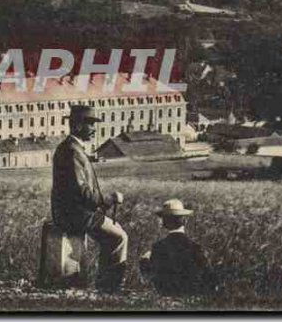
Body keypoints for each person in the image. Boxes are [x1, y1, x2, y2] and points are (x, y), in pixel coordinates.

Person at [51, 104, 128, 293]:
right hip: (77, 215)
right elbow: (81, 192)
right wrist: (108, 199)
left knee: (114, 235)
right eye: (90, 124)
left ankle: (106, 285)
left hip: (73, 212)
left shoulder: (70, 148)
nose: (94, 129)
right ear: (77, 126)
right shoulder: (72, 152)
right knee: (119, 237)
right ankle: (110, 287)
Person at [139, 199, 217, 297]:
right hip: (191, 298)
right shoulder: (196, 248)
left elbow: (147, 277)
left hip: (164, 298)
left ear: (165, 222)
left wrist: (144, 260)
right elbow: (210, 277)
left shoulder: (157, 248)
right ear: (184, 221)